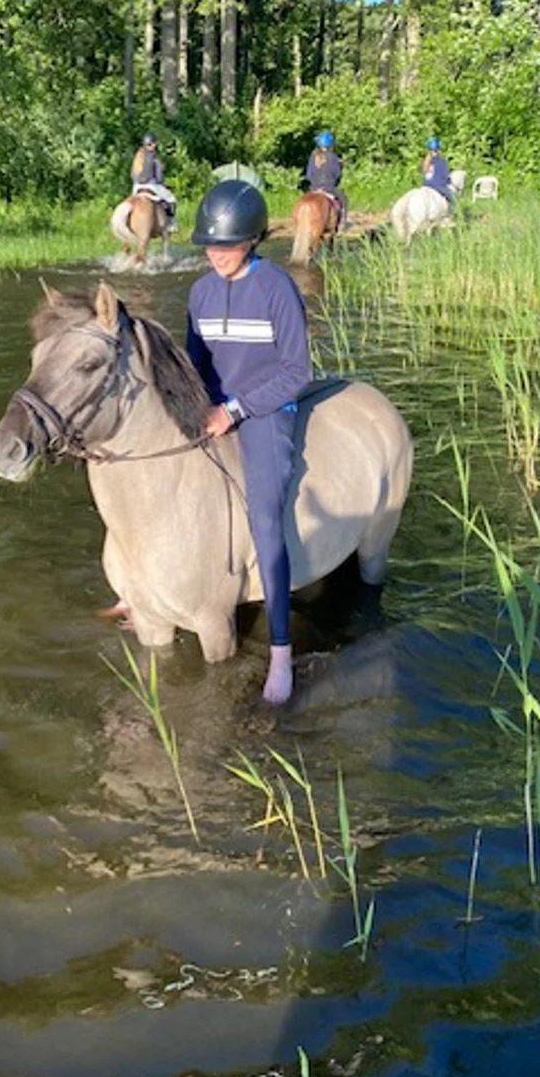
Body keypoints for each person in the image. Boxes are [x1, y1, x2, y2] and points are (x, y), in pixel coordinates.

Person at [186, 179, 311, 705]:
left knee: (264, 515)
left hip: (264, 409)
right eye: (210, 245)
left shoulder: (276, 287)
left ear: (253, 241)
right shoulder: (198, 292)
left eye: (228, 245)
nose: (217, 255)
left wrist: (235, 410)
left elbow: (297, 370)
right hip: (210, 407)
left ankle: (281, 651)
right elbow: (194, 365)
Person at [129, 132, 178, 230]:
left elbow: (132, 174)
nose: (154, 145)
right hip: (151, 186)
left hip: (136, 187)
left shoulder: (138, 157)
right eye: (154, 143)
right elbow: (159, 177)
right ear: (154, 144)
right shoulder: (155, 157)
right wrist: (163, 184)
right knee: (172, 199)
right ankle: (171, 224)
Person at [305, 130, 348, 230]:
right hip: (329, 188)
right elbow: (337, 175)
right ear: (330, 144)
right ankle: (342, 224)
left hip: (314, 188)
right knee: (344, 200)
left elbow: (308, 175)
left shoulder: (313, 156)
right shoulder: (333, 157)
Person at [422, 137, 453, 204]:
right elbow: (444, 176)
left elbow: (425, 173)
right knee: (453, 198)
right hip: (438, 186)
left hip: (426, 185)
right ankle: (453, 213)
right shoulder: (441, 161)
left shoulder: (426, 160)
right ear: (438, 148)